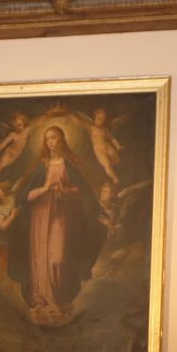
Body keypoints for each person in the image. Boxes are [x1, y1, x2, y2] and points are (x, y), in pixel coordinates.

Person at [7, 125, 104, 328]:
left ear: (62, 140)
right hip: (40, 217)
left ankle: (58, 299)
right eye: (48, 138)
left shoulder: (70, 165)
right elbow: (25, 196)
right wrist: (44, 189)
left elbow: (83, 192)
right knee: (40, 257)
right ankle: (42, 301)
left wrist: (67, 190)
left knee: (58, 258)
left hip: (61, 215)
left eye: (54, 138)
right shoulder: (41, 166)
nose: (51, 142)